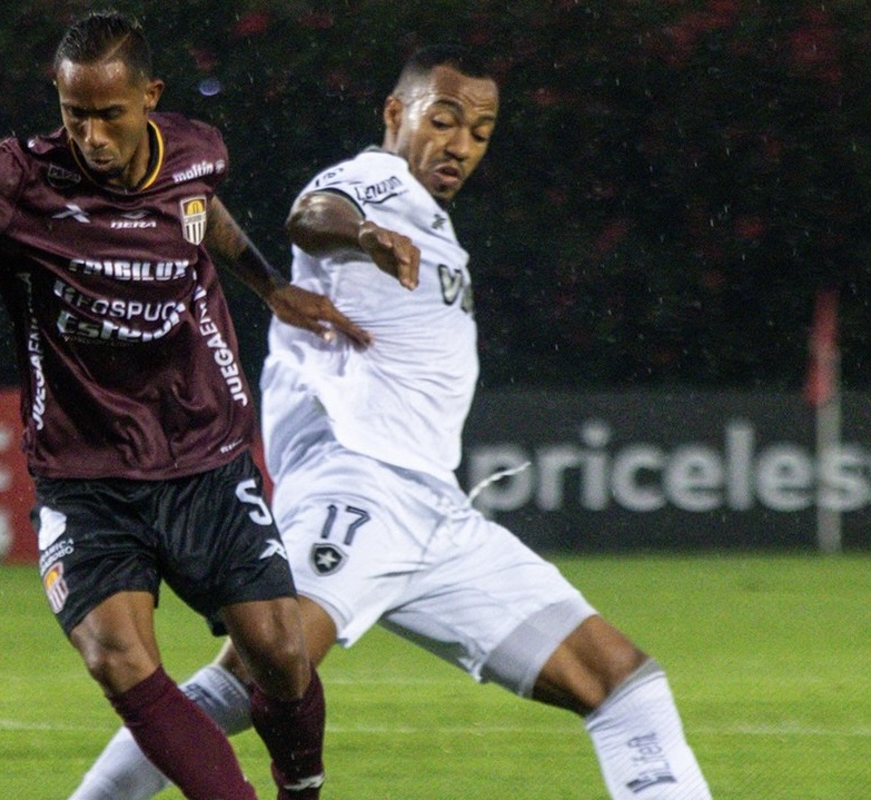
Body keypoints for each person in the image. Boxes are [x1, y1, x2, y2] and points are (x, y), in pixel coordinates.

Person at [71, 44, 713, 800]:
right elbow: (312, 217)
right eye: (443, 121)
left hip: (436, 513)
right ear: (394, 113)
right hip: (358, 482)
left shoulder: (437, 228)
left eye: (479, 132)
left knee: (623, 684)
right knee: (256, 676)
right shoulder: (379, 181)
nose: (460, 145)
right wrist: (366, 236)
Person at [0, 11, 370, 800]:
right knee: (116, 657)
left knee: (280, 654)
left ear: (150, 97)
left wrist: (270, 286)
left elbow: (201, 214)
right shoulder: (18, 180)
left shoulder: (197, 150)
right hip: (85, 468)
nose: (92, 135)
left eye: (109, 115)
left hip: (202, 450)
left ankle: (302, 788)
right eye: (75, 115)